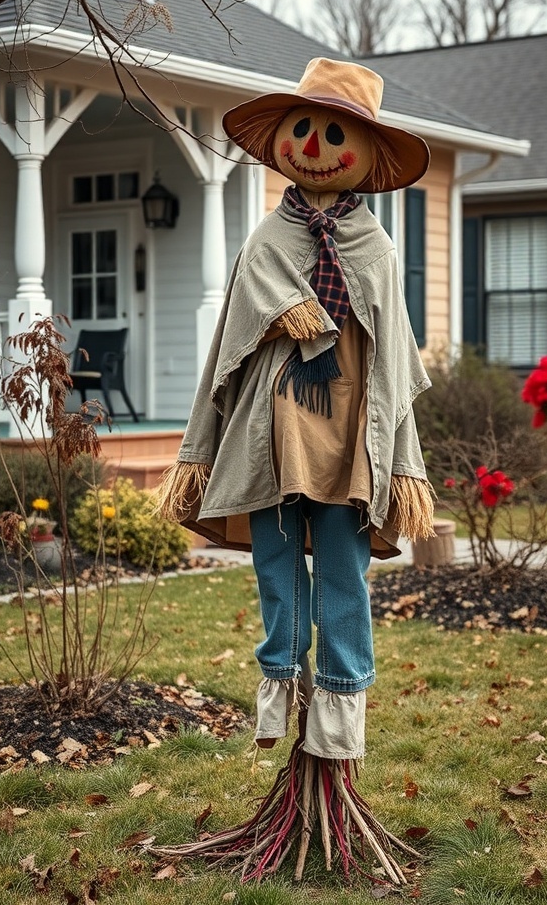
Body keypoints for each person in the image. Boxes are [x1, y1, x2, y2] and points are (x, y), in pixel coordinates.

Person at [158, 57, 435, 762]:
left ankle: (339, 714)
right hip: (274, 433)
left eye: (335, 133)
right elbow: (234, 334)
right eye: (303, 128)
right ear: (282, 136)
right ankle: (280, 683)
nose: (313, 146)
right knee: (276, 566)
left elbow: (395, 359)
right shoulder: (264, 239)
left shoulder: (378, 248)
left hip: (348, 435)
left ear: (367, 156)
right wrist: (282, 309)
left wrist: (400, 460)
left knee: (343, 570)